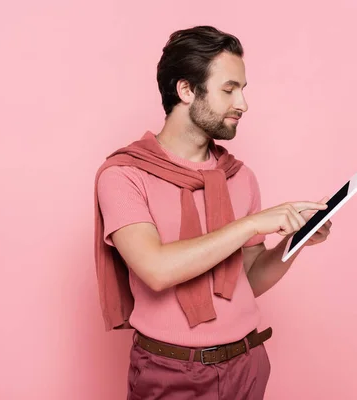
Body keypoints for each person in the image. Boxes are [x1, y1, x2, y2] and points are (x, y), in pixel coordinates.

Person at [93, 25, 332, 400]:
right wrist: (251, 223)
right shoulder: (124, 175)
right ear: (186, 90)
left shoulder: (240, 178)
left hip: (246, 365)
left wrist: (294, 241)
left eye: (243, 89)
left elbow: (247, 280)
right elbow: (156, 269)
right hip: (169, 372)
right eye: (228, 89)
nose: (243, 104)